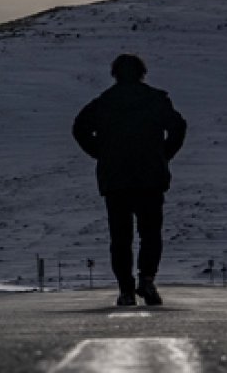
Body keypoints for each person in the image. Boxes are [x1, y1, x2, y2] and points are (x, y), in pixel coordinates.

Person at [72, 54, 187, 306]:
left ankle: (126, 289)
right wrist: (163, 155)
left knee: (121, 238)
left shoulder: (104, 102)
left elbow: (79, 128)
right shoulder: (155, 99)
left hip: (116, 180)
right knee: (150, 234)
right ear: (141, 73)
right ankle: (147, 279)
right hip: (149, 177)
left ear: (115, 74)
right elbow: (178, 127)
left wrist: (101, 153)